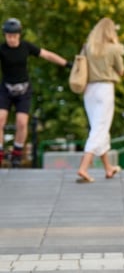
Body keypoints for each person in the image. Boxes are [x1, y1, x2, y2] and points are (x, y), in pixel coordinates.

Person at [0, 17, 71, 168]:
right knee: (0, 118)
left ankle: (17, 153)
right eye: (8, 36)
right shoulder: (2, 49)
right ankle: (0, 152)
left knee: (22, 122)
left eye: (13, 36)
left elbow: (47, 55)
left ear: (19, 35)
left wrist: (66, 64)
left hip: (24, 90)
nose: (11, 39)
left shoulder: (26, 47)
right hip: (6, 89)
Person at [74, 18, 124, 183]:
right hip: (104, 89)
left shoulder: (88, 47)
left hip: (89, 90)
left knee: (98, 126)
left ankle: (108, 168)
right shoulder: (113, 49)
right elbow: (121, 70)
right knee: (99, 128)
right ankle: (83, 167)